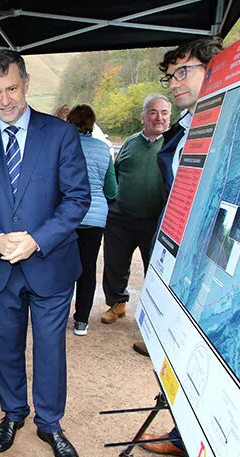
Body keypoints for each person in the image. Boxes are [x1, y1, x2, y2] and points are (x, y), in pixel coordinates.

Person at [0, 49, 90, 457]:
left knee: (51, 348)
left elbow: (78, 199)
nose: (4, 100)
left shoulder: (60, 134)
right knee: (4, 346)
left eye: (11, 88)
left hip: (50, 265)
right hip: (1, 269)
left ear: (27, 83)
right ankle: (13, 413)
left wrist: (36, 240)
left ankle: (51, 424)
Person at [140, 37, 223, 457]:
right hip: (179, 258)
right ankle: (182, 434)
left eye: (183, 72)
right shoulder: (189, 124)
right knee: (180, 356)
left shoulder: (233, 121)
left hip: (212, 267)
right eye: (169, 76)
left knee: (210, 368)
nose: (173, 84)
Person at [100, 94, 171, 336]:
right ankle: (117, 304)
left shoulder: (174, 145)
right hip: (121, 218)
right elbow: (116, 175)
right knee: (115, 263)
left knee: (157, 269)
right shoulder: (129, 143)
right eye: (153, 112)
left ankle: (154, 317)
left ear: (170, 117)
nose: (158, 117)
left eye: (164, 113)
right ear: (143, 117)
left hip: (157, 220)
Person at [66, 104, 117, 336]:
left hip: (67, 217)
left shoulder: (65, 148)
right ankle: (82, 321)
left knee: (62, 267)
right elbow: (111, 190)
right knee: (87, 270)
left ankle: (57, 315)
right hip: (95, 218)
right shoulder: (103, 149)